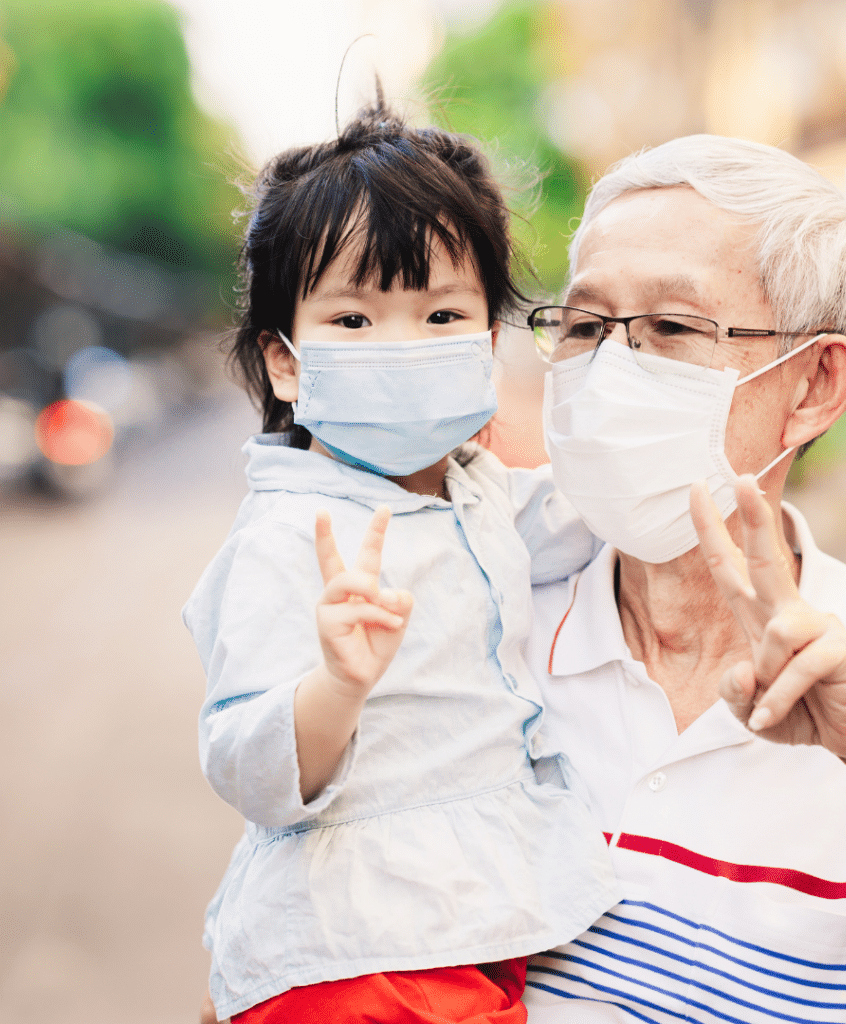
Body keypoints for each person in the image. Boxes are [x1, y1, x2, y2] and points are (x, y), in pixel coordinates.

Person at [521, 136, 846, 1023]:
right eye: (585, 326)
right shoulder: (483, 631)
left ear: (814, 387)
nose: (606, 372)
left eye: (672, 328)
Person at [184, 96, 619, 1024]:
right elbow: (246, 768)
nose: (400, 345)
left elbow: (589, 523)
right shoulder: (287, 534)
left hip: (459, 933)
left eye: (441, 314)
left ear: (490, 343)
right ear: (286, 361)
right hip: (358, 955)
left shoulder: (480, 491)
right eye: (352, 320)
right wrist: (337, 684)